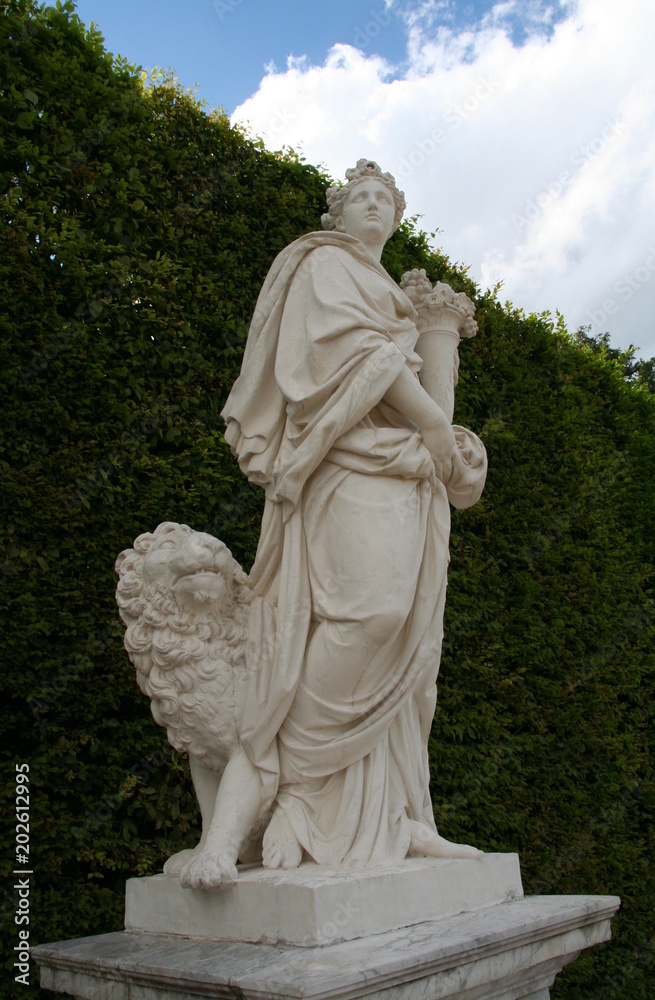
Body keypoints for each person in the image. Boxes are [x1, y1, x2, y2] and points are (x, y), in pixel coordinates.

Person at [187, 159, 487, 886]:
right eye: (362, 196)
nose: (376, 206)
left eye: (387, 198)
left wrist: (437, 336)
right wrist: (433, 431)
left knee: (412, 660)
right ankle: (288, 779)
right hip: (345, 469)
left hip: (403, 481)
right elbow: (354, 367)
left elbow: (431, 419)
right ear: (337, 213)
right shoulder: (320, 264)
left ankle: (396, 818)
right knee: (368, 616)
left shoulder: (385, 292)